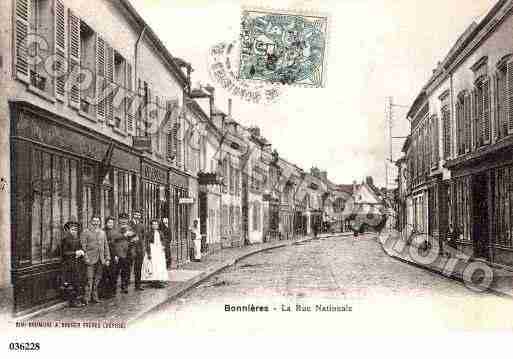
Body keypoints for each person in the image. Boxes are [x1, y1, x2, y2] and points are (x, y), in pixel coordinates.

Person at [80, 216, 110, 305]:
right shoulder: (85, 232)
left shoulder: (102, 233)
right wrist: (86, 258)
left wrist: (107, 258)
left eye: (98, 221)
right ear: (90, 222)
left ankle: (95, 296)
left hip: (100, 260)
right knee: (89, 279)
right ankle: (87, 298)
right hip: (90, 260)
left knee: (97, 279)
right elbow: (83, 247)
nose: (96, 223)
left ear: (100, 222)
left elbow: (106, 246)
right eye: (94, 221)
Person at [61, 219, 86, 307]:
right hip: (69, 264)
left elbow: (81, 248)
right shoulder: (65, 240)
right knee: (71, 282)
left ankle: (78, 299)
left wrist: (82, 252)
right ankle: (73, 301)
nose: (74, 231)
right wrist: (75, 253)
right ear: (68, 230)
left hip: (78, 263)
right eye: (72, 229)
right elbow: (64, 253)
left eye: (75, 229)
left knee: (78, 281)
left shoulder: (77, 239)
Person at [142, 219, 169, 288]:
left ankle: (158, 280)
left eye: (156, 224)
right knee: (152, 265)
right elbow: (147, 243)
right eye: (153, 224)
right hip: (152, 249)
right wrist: (149, 253)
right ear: (151, 225)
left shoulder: (160, 232)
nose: (155, 226)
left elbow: (163, 240)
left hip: (159, 250)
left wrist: (163, 245)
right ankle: (153, 281)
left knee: (159, 265)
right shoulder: (149, 233)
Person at [129, 211, 147, 291]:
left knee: (138, 267)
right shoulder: (129, 224)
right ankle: (125, 285)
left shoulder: (141, 225)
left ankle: (138, 285)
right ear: (133, 215)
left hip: (139, 249)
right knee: (128, 267)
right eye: (136, 214)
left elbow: (143, 236)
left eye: (138, 215)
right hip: (130, 248)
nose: (137, 216)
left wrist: (143, 247)